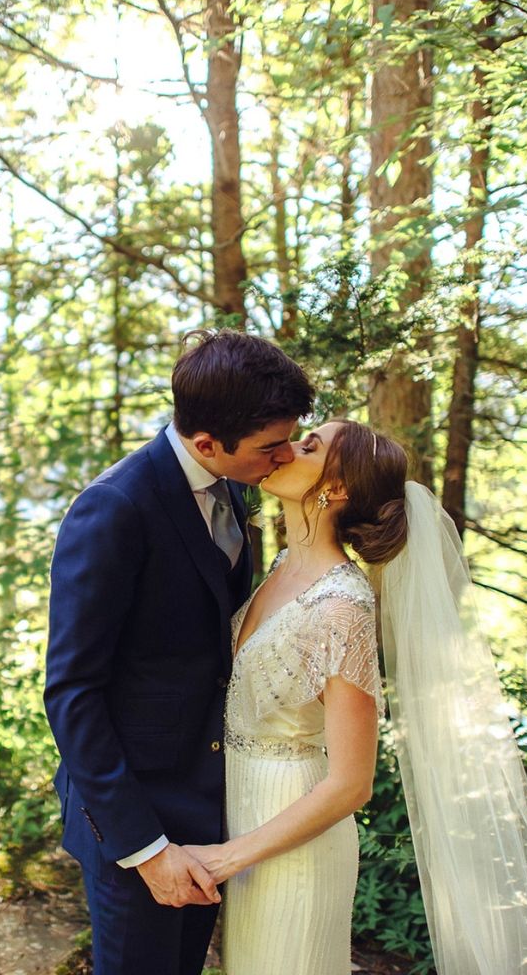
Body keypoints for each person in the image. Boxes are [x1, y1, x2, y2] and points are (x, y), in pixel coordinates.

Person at [185, 419, 527, 975]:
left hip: (292, 834)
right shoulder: (281, 568)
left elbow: (352, 783)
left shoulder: (342, 603)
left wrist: (230, 855)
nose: (286, 449)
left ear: (337, 490)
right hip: (244, 813)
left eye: (309, 447)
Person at [43, 329, 315, 975]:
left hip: (213, 806)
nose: (284, 457)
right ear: (205, 443)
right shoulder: (112, 510)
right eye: (270, 446)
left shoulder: (233, 483)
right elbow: (71, 693)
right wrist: (146, 848)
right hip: (137, 822)